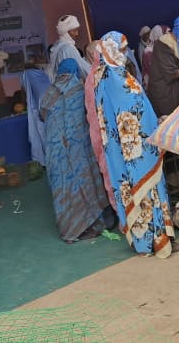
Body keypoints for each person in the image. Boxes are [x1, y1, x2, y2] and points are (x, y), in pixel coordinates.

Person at [87, 32, 177, 258]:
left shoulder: (100, 75)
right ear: (111, 49)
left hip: (120, 148)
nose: (125, 53)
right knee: (147, 189)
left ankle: (144, 243)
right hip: (136, 148)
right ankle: (156, 240)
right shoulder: (115, 77)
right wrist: (156, 127)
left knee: (132, 188)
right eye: (121, 49)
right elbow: (132, 110)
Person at [39, 57, 112, 243]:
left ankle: (70, 231)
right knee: (86, 182)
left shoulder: (49, 92)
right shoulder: (80, 89)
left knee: (64, 187)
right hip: (80, 148)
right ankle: (94, 224)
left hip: (56, 152)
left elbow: (42, 114)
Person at [146, 17, 179, 117]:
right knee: (168, 122)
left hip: (176, 90)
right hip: (165, 94)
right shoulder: (163, 43)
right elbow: (171, 73)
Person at [21, 55, 52, 165]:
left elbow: (25, 92)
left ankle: (45, 161)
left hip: (39, 107)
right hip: (51, 102)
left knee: (40, 132)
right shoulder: (42, 73)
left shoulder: (26, 74)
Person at [48, 15, 90, 80]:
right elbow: (82, 69)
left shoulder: (58, 46)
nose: (77, 34)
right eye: (74, 31)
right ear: (66, 32)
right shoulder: (67, 48)